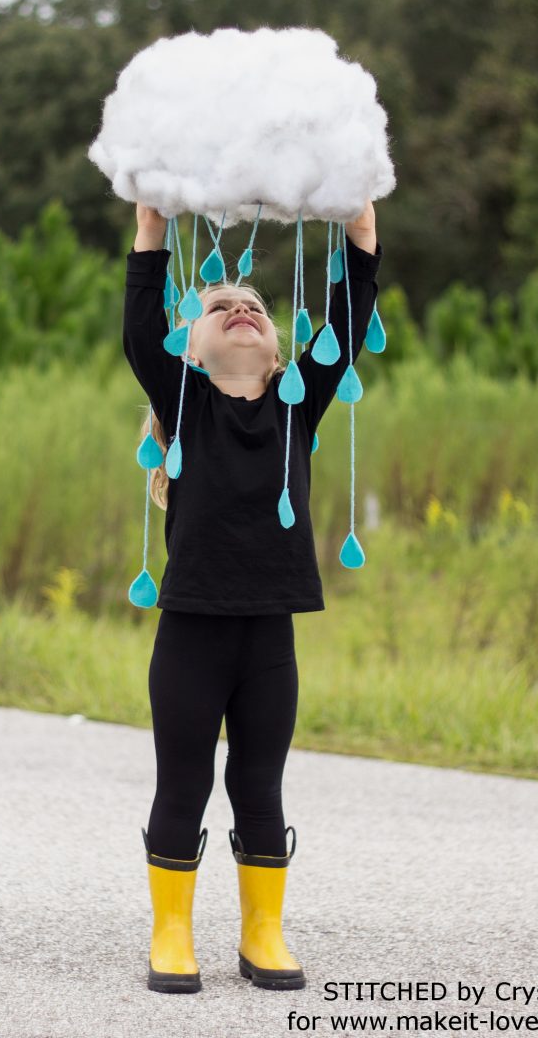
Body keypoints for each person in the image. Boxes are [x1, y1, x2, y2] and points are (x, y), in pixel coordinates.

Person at [123, 200, 382, 993]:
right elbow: (137, 325)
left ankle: (263, 931)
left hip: (269, 637)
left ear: (279, 353)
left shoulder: (295, 409)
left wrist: (362, 234)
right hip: (192, 634)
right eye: (219, 307)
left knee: (260, 782)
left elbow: (347, 309)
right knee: (184, 780)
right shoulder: (186, 402)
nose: (241, 309)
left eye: (258, 308)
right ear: (188, 347)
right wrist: (152, 230)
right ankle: (172, 932)